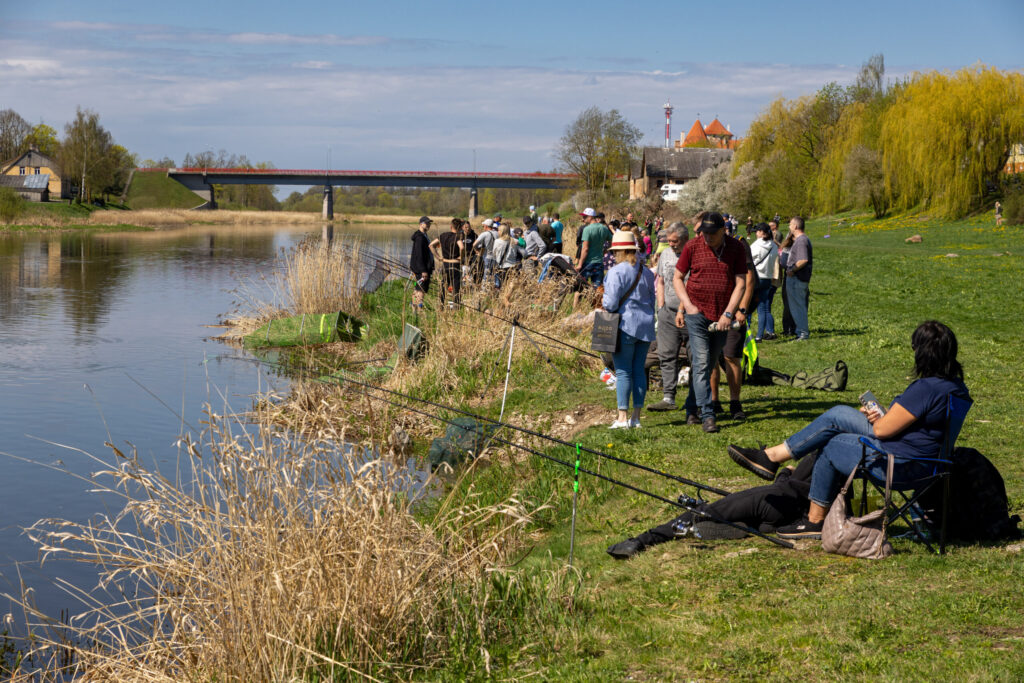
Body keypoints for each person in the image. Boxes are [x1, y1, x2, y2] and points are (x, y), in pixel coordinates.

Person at [727, 320, 970, 539]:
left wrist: (878, 421)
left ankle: (813, 518)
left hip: (898, 465)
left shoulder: (926, 388)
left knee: (834, 439)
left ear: (923, 353)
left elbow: (884, 431)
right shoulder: (955, 388)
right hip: (930, 465)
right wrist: (883, 416)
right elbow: (920, 426)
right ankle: (862, 512)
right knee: (839, 423)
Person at [606, 454, 818, 558]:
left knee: (705, 511)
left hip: (773, 499)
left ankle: (642, 541)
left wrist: (785, 471)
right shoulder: (837, 463)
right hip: (790, 518)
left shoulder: (821, 453)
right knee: (743, 518)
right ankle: (737, 526)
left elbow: (788, 487)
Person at [673, 212, 747, 433]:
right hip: (696, 313)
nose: (707, 237)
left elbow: (740, 283)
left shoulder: (736, 248)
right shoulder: (692, 247)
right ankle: (707, 414)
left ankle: (691, 408)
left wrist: (728, 313)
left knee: (707, 363)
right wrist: (687, 305)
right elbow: (678, 277)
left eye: (712, 234)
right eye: (704, 233)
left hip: (721, 315)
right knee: (703, 362)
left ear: (723, 230)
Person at [602, 229, 656, 429]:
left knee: (623, 372)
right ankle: (636, 417)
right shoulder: (647, 272)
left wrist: (603, 300)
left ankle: (622, 418)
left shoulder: (616, 272)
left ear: (620, 252)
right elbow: (652, 299)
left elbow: (610, 303)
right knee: (639, 371)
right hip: (646, 326)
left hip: (625, 326)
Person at [709, 229, 758, 421]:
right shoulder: (702, 245)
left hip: (734, 310)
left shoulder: (738, 244)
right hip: (712, 309)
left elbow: (749, 278)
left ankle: (735, 402)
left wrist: (742, 308)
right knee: (712, 357)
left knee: (731, 356)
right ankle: (714, 401)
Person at [647, 222, 689, 412]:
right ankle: (668, 397)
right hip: (667, 312)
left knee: (695, 356)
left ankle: (695, 399)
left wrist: (683, 308)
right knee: (666, 354)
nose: (671, 244)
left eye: (675, 241)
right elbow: (661, 281)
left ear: (685, 240)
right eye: (669, 241)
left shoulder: (692, 253)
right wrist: (661, 306)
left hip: (690, 312)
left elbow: (690, 285)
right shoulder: (665, 254)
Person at [574, 208, 612, 305]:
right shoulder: (604, 228)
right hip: (599, 262)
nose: (583, 218)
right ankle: (597, 311)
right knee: (598, 290)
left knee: (579, 289)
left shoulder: (587, 229)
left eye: (585, 216)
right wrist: (605, 251)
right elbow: (612, 241)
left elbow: (585, 249)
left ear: (590, 217)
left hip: (587, 263)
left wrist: (579, 264)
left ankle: (575, 312)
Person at [750, 223, 779, 342]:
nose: (756, 233)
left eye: (757, 231)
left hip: (756, 277)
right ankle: (759, 335)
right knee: (764, 308)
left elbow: (749, 259)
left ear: (762, 232)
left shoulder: (756, 245)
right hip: (767, 277)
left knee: (748, 306)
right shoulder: (774, 245)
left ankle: (746, 330)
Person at [786, 216, 812, 340]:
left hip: (797, 279)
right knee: (797, 306)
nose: (789, 226)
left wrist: (792, 269)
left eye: (790, 224)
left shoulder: (801, 240)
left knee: (798, 306)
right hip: (798, 279)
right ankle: (800, 331)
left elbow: (803, 260)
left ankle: (802, 333)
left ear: (795, 226)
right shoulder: (802, 240)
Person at [430, 218, 464, 306]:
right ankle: (456, 307)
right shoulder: (458, 236)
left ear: (450, 226)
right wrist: (461, 256)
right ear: (460, 228)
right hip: (455, 264)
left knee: (444, 285)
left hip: (445, 264)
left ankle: (441, 305)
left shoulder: (443, 235)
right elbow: (462, 247)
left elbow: (431, 245)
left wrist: (438, 257)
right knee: (456, 287)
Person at [409, 216, 435, 307]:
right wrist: (423, 270)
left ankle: (414, 308)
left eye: (429, 223)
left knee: (417, 287)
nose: (429, 225)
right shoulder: (420, 238)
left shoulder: (424, 235)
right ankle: (418, 309)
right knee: (421, 290)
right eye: (427, 223)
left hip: (420, 269)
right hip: (421, 270)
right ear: (421, 224)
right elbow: (419, 255)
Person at [778, 230, 795, 336]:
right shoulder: (801, 246)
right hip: (799, 276)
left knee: (787, 303)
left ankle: (787, 328)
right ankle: (794, 327)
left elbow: (783, 263)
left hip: (788, 276)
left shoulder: (787, 248)